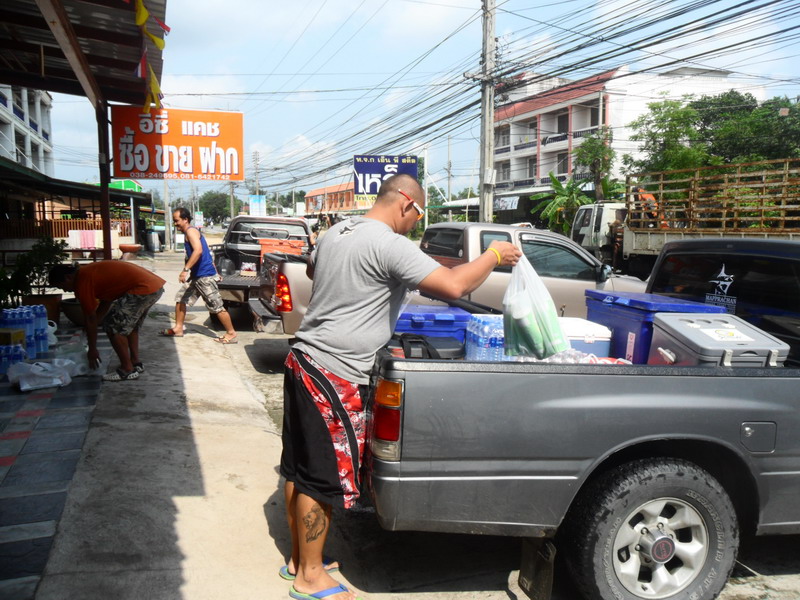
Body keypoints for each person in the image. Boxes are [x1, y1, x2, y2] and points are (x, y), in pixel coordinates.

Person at [280, 174, 521, 600]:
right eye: (420, 214)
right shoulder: (389, 244)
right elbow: (456, 286)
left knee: (298, 467)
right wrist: (494, 254)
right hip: (335, 371)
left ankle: (300, 559)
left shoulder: (339, 231)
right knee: (321, 477)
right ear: (406, 203)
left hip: (302, 359)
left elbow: (315, 267)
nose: (417, 223)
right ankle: (310, 577)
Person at [48, 261, 165, 382]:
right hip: (154, 286)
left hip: (142, 289)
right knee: (129, 325)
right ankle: (135, 363)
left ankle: (127, 369)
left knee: (113, 327)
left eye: (62, 286)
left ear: (68, 277)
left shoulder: (82, 281)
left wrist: (92, 349)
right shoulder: (87, 273)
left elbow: (90, 318)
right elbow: (105, 302)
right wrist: (89, 328)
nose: (65, 291)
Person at [163, 207, 238, 344]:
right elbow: (206, 253)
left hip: (204, 277)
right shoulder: (189, 232)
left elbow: (198, 251)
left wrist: (185, 270)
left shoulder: (191, 231)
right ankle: (178, 328)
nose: (175, 224)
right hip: (196, 276)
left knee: (216, 307)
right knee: (181, 299)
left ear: (185, 219)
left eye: (177, 220)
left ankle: (231, 333)